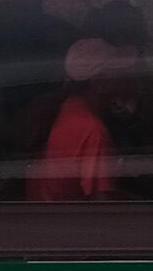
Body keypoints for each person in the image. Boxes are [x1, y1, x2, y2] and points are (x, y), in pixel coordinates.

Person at [29, 36, 134, 201]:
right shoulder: (93, 131)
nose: (125, 77)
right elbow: (103, 205)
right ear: (100, 82)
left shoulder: (69, 107)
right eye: (117, 72)